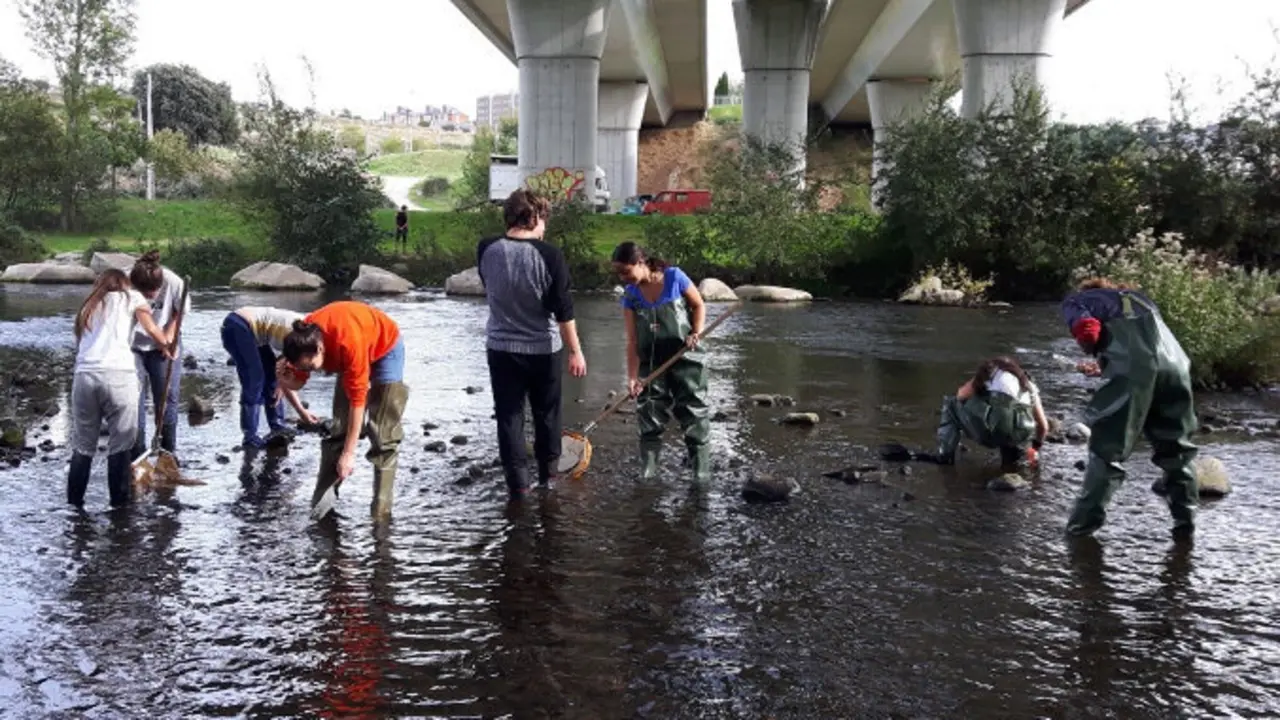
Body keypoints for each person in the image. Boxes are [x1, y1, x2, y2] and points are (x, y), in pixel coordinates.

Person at [1061, 278, 1198, 538]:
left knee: (1106, 450)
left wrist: (1095, 351)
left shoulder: (1077, 300)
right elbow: (1148, 347)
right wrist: (1107, 363)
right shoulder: (1141, 300)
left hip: (1134, 371)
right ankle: (1185, 527)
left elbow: (1087, 330)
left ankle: (1079, 531)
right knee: (1177, 450)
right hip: (1177, 366)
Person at [477, 189, 587, 499]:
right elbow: (563, 310)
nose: (545, 228)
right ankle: (549, 478)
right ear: (534, 217)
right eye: (544, 220)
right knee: (547, 414)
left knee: (509, 416)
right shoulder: (550, 255)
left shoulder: (486, 248)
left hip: (500, 347)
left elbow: (491, 287)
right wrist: (576, 351)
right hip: (542, 348)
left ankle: (518, 485)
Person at [276, 301, 408, 518]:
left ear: (320, 349)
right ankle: (321, 508)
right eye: (302, 367)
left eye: (310, 367)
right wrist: (283, 378)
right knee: (339, 429)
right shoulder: (301, 342)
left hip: (385, 346)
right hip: (348, 353)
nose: (308, 371)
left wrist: (349, 454)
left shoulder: (348, 342)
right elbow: (297, 383)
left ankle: (380, 513)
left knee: (384, 435)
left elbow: (358, 401)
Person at [68, 269, 174, 507]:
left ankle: (74, 507)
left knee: (83, 446)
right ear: (125, 284)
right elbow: (152, 330)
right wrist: (167, 344)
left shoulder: (89, 304)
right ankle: (118, 508)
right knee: (120, 444)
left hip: (84, 376)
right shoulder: (132, 297)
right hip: (119, 375)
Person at [611, 242, 711, 483]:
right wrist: (633, 378)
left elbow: (698, 305)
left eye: (626, 271)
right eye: (619, 273)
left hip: (686, 357)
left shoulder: (674, 277)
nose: (623, 278)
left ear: (641, 262)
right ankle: (649, 471)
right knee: (649, 413)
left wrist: (696, 332)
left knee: (693, 411)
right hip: (651, 364)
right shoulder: (631, 295)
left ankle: (700, 471)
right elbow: (633, 340)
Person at [220, 306, 320, 448]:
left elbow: (282, 373)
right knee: (254, 379)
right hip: (238, 326)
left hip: (255, 333)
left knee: (271, 378)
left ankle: (277, 425)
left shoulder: (305, 337)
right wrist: (300, 409)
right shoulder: (296, 340)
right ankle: (250, 437)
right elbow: (284, 375)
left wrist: (280, 382)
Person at [935, 356, 1049, 471]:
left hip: (991, 430)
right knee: (1010, 422)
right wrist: (1035, 448)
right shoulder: (1029, 386)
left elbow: (960, 395)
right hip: (1018, 433)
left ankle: (945, 457)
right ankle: (1010, 463)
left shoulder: (990, 372)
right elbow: (1044, 427)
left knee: (951, 404)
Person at [128, 250, 190, 461]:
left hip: (164, 339)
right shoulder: (126, 283)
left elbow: (177, 313)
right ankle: (137, 454)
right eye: (144, 293)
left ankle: (167, 452)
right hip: (132, 344)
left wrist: (169, 339)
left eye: (152, 292)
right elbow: (142, 321)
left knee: (167, 397)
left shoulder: (175, 283)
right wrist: (161, 340)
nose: (148, 297)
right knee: (133, 399)